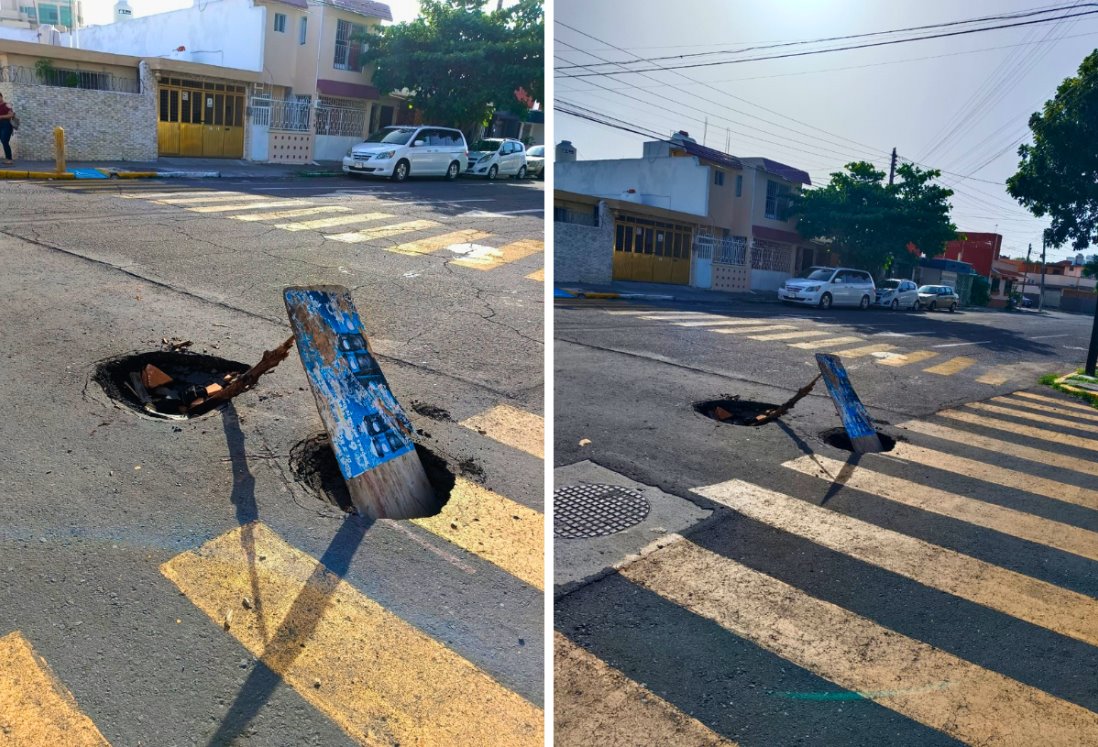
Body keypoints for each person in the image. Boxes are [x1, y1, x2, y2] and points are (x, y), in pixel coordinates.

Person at [0, 93, 14, 165]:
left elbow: (11, 115)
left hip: (6, 125)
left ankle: (9, 159)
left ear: (1, 97)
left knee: (5, 141)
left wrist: (1, 117)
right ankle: (7, 159)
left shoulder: (7, 104)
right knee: (3, 141)